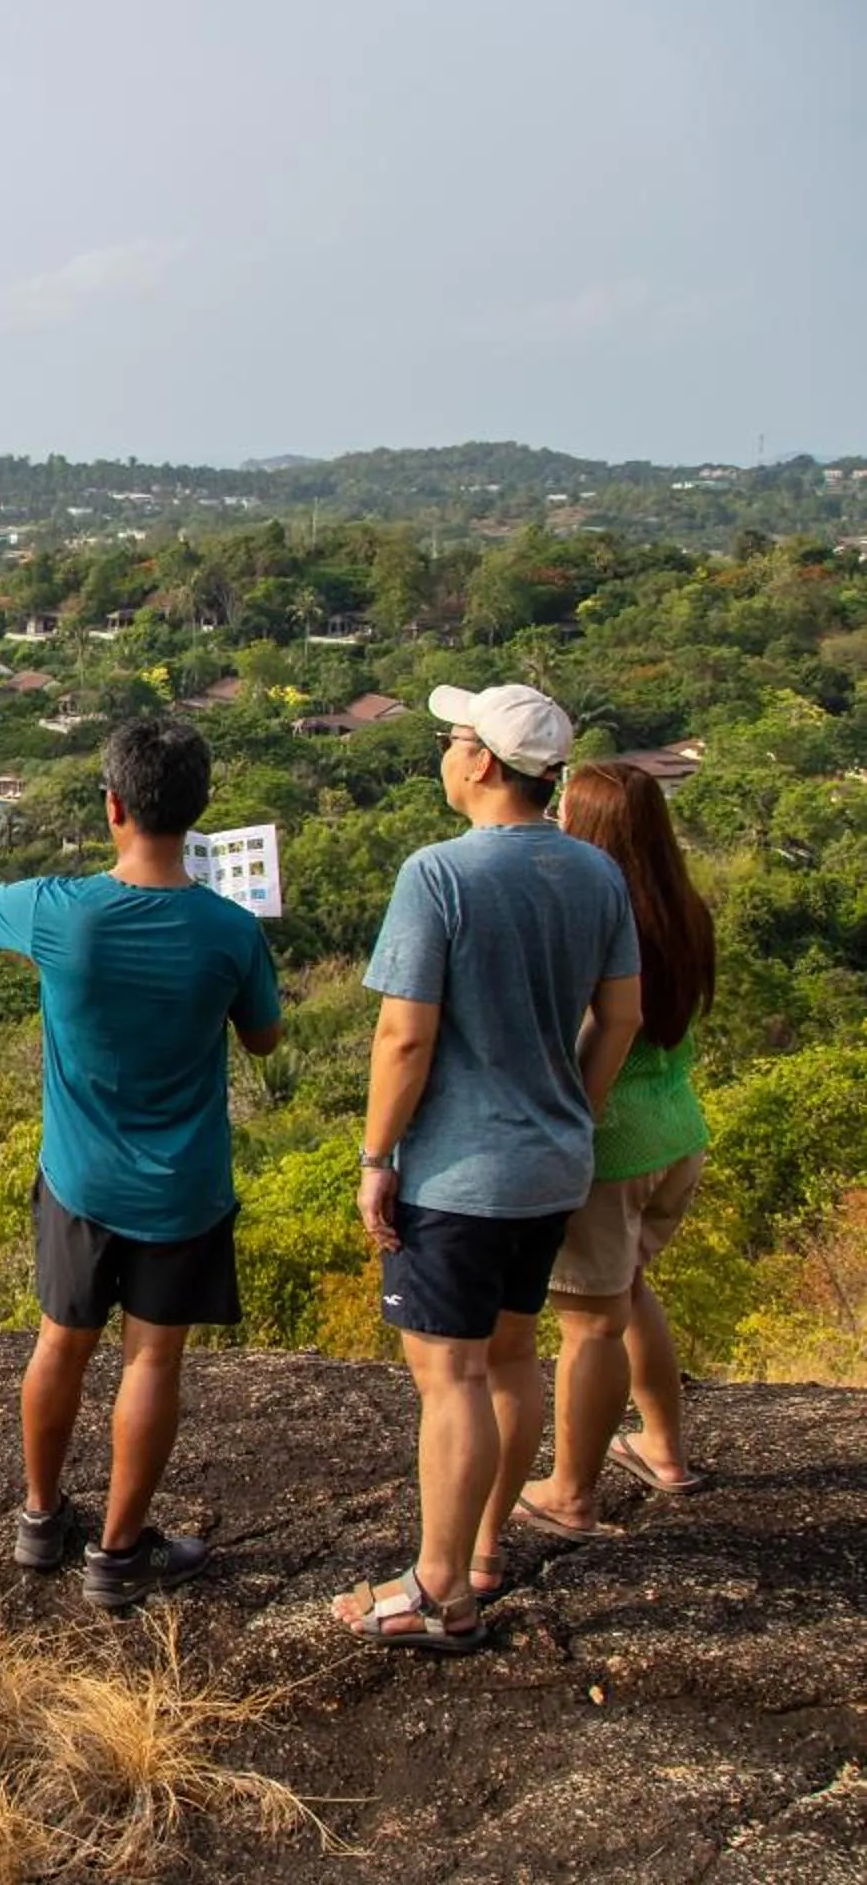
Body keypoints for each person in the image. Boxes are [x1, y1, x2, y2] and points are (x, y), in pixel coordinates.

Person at [0, 717, 282, 1611]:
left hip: (79, 1181)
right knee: (151, 1363)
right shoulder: (229, 931)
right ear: (199, 812)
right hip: (184, 1190)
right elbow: (264, 1038)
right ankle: (119, 1554)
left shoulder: (60, 913)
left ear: (112, 807)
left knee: (61, 1341)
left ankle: (39, 1519)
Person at [335, 685, 640, 1653]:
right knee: (511, 1356)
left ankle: (437, 1587)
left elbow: (404, 1034)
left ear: (478, 762)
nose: (444, 751)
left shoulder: (441, 873)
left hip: (459, 1173)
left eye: (451, 737)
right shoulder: (594, 871)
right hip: (551, 1164)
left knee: (449, 1375)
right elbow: (622, 1014)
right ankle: (477, 1551)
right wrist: (571, 1112)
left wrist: (377, 1155)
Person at [515, 760, 718, 1529]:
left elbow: (589, 1030)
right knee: (625, 1291)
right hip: (674, 1132)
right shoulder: (681, 906)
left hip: (611, 1146)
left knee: (590, 1322)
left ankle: (569, 1491)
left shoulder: (596, 917)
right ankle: (662, 1447)